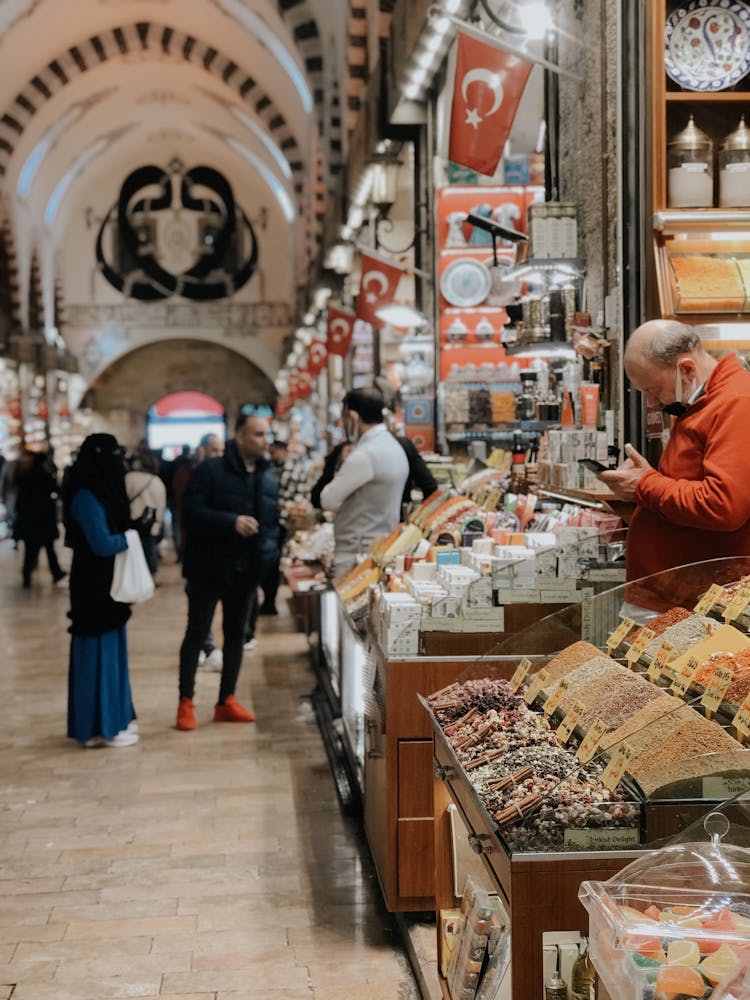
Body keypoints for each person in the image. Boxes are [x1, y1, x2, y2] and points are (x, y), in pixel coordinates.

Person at [599, 319, 750, 614]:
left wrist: (645, 484)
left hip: (696, 601)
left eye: (654, 390)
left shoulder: (736, 402)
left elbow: (722, 505)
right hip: (677, 595)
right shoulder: (703, 401)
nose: (652, 403)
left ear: (686, 369)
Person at [176, 413, 280, 730]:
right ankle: (186, 702)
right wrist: (230, 522)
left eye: (266, 435)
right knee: (197, 633)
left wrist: (266, 559)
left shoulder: (266, 475)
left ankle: (226, 700)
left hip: (246, 570)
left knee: (236, 636)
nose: (264, 441)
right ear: (240, 436)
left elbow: (271, 524)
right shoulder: (210, 470)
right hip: (208, 566)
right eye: (258, 435)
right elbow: (191, 512)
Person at [63, 434, 138, 747]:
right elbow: (102, 543)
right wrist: (132, 537)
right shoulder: (86, 497)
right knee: (99, 655)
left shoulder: (93, 493)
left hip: (102, 585)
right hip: (94, 588)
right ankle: (103, 727)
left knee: (107, 652)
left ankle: (105, 723)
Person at [319, 388, 410, 577]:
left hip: (356, 555)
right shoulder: (394, 447)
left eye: (344, 418)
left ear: (353, 417)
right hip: (382, 546)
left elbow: (327, 499)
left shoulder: (365, 455)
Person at [15, 448, 67, 588]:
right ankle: (56, 573)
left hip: (30, 520)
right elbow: (57, 490)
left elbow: (20, 500)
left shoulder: (26, 476)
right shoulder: (45, 476)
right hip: (44, 520)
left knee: (30, 551)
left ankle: (27, 576)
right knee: (49, 550)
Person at [125, 449, 167, 579]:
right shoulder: (157, 481)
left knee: (132, 553)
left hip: (132, 522)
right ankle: (151, 577)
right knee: (150, 550)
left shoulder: (128, 478)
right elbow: (161, 505)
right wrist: (159, 524)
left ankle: (134, 578)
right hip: (150, 523)